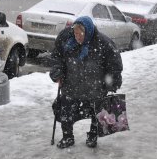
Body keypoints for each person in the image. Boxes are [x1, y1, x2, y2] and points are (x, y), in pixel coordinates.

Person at [50, 16, 123, 149]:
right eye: (75, 33)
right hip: (71, 85)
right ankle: (67, 137)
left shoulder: (104, 43)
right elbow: (56, 58)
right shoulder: (67, 41)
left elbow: (114, 65)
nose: (77, 37)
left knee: (97, 112)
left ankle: (92, 136)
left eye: (80, 34)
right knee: (66, 111)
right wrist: (57, 71)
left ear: (88, 32)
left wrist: (112, 81)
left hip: (95, 87)